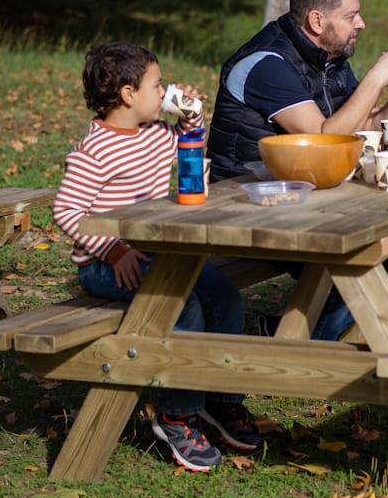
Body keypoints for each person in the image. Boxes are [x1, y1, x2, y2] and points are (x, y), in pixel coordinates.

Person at [54, 41, 262, 472]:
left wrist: (190, 115)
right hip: (107, 265)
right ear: (128, 95)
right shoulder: (96, 149)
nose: (163, 90)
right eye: (157, 84)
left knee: (224, 295)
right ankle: (177, 415)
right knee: (181, 307)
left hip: (160, 254)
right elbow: (66, 210)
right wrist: (114, 251)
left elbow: (190, 149)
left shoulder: (155, 133)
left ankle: (221, 399)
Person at [208, 0, 388, 339]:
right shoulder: (266, 65)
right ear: (317, 20)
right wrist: (373, 79)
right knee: (381, 254)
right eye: (351, 16)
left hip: (304, 195)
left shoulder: (329, 57)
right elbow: (324, 139)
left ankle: (293, 336)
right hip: (247, 206)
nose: (362, 24)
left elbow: (366, 126)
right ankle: (297, 344)